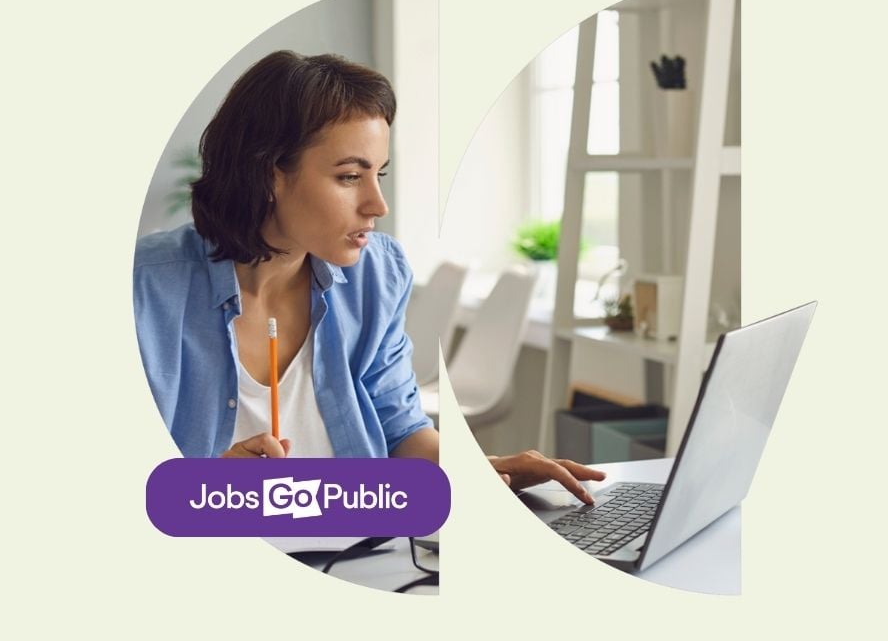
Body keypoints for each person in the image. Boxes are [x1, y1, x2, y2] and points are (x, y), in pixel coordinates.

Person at [134, 50, 603, 501]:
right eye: (349, 177)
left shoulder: (377, 273)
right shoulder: (143, 289)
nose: (378, 205)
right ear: (269, 174)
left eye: (379, 173)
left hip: (361, 554)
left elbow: (400, 428)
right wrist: (208, 487)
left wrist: (485, 471)